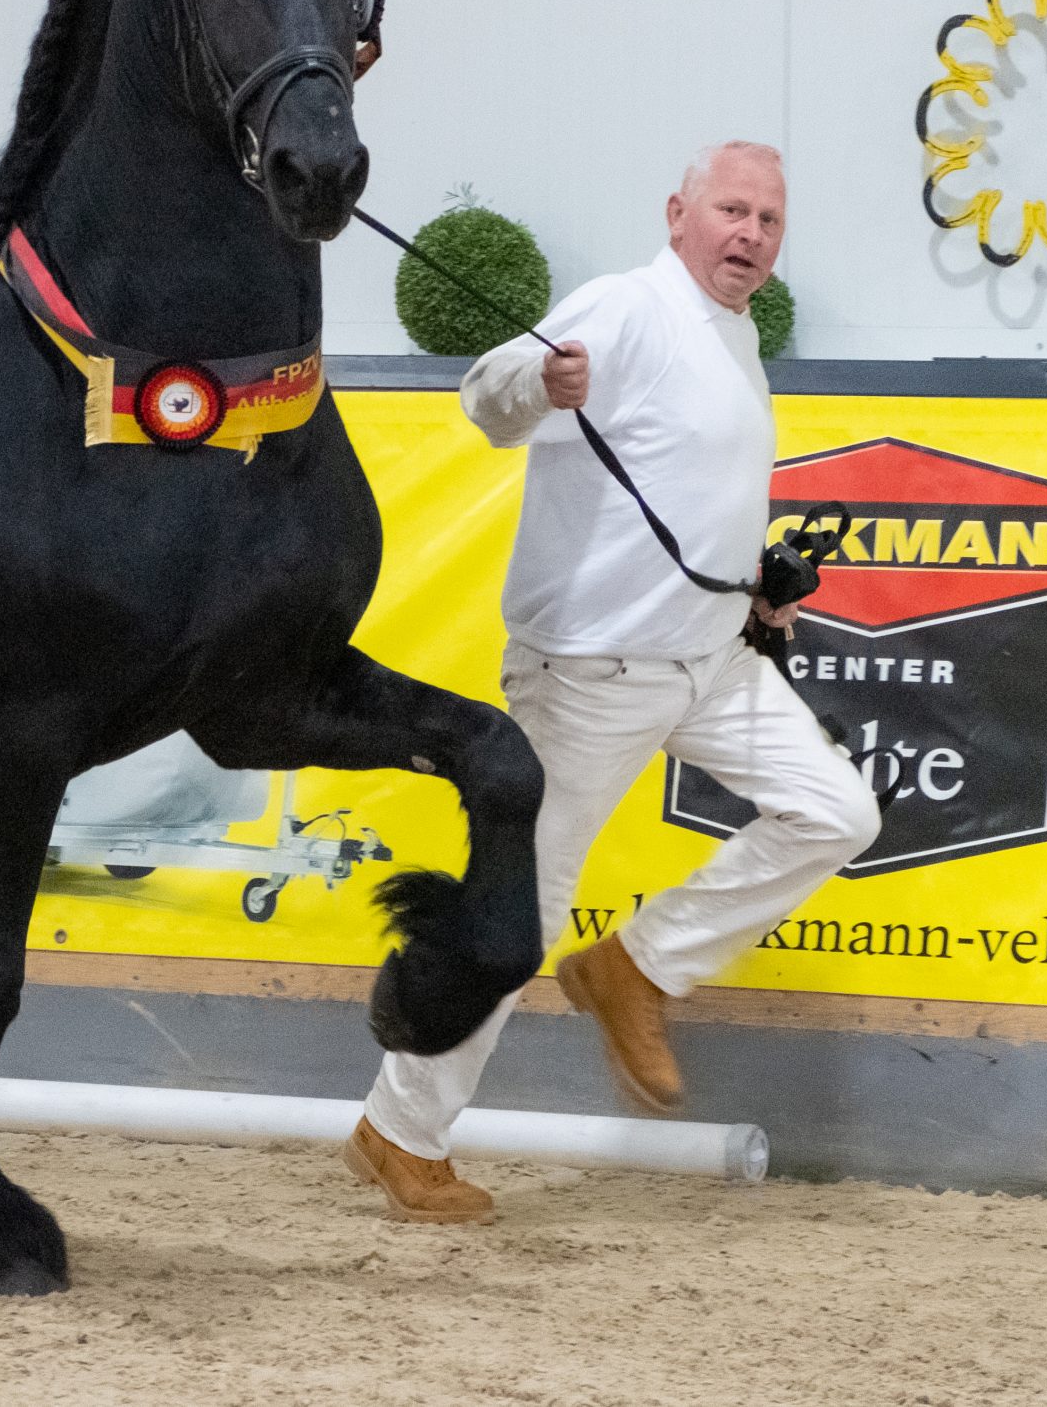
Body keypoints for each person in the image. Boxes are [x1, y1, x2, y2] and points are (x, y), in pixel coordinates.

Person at [343, 141, 881, 1223]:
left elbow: (683, 486)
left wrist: (756, 585)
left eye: (769, 220)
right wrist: (538, 381)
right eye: (732, 210)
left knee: (838, 811)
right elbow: (486, 398)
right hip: (591, 671)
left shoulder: (733, 336)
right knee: (524, 910)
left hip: (712, 657)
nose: (751, 234)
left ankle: (636, 967)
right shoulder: (625, 306)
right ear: (678, 213)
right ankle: (398, 1131)